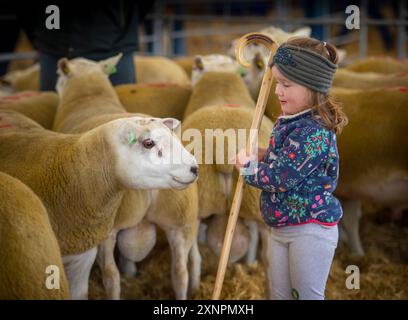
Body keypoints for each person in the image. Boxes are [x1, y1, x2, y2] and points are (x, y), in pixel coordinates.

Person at [233, 37, 348, 300]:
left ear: (312, 87)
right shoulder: (291, 120)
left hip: (310, 229)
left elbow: (282, 177)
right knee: (280, 295)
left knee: (305, 296)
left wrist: (248, 169)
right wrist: (261, 155)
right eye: (276, 83)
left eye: (286, 84)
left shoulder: (313, 131)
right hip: (281, 225)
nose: (277, 91)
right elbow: (283, 158)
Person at [15, 1, 154, 91]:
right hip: (55, 52)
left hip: (113, 51)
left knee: (118, 121)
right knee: (54, 119)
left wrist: (124, 24)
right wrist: (42, 36)